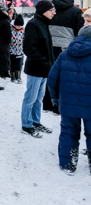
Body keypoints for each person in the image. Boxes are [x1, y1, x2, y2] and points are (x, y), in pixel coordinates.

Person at [47, 25, 91, 175]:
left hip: (67, 104)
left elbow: (52, 79)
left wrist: (55, 99)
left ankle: (68, 165)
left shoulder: (65, 54)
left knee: (68, 132)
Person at [46, 0, 85, 115]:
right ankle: (59, 106)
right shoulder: (75, 11)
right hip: (66, 48)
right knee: (64, 77)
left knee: (50, 75)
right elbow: (79, 31)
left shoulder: (50, 8)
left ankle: (46, 103)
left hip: (49, 46)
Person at [21, 0, 56, 138]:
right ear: (43, 11)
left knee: (39, 98)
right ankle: (26, 124)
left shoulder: (44, 23)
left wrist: (50, 64)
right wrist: (44, 62)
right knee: (30, 97)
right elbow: (29, 49)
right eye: (52, 10)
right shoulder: (33, 24)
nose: (54, 13)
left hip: (44, 69)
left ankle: (36, 121)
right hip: (36, 69)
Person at [10, 14, 25, 84]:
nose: (19, 27)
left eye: (20, 26)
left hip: (20, 51)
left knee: (19, 64)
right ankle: (12, 76)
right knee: (12, 64)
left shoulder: (23, 31)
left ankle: (18, 76)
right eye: (17, 25)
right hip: (12, 51)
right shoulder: (11, 30)